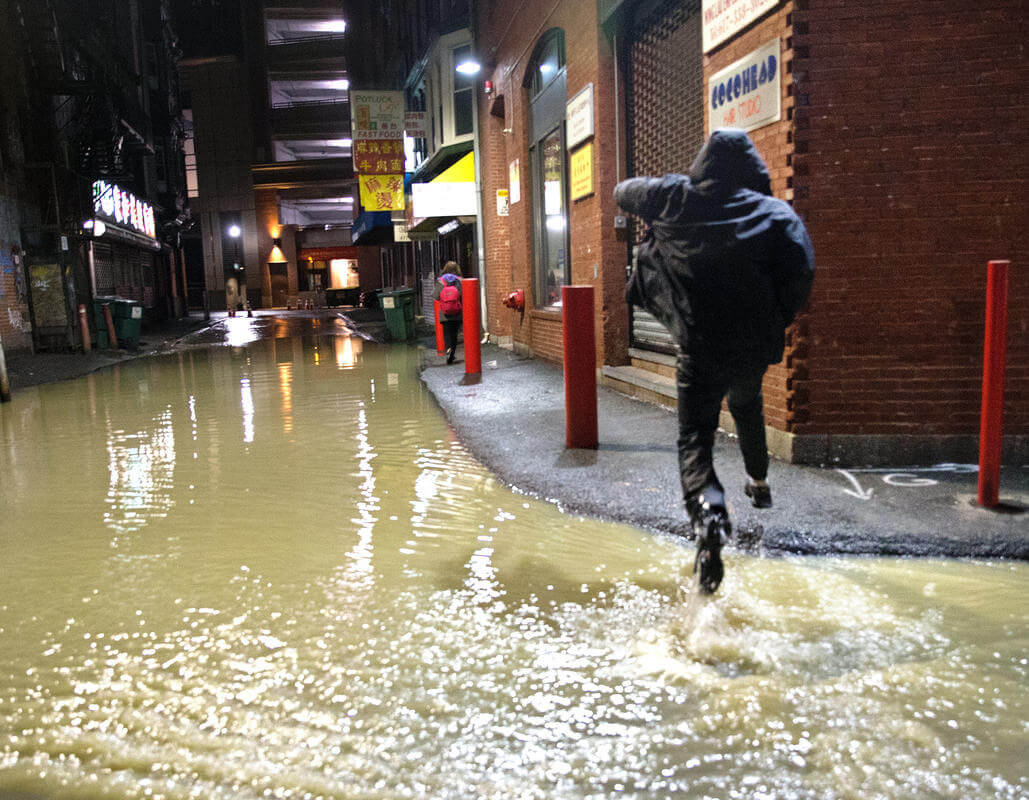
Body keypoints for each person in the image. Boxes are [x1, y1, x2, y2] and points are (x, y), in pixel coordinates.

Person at [614, 129, 815, 594]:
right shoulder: (777, 216)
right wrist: (773, 320)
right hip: (750, 348)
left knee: (695, 439)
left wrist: (677, 187)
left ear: (703, 164)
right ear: (754, 171)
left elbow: (622, 191)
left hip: (698, 347)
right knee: (746, 406)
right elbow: (801, 275)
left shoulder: (677, 198)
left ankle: (708, 517)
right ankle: (758, 481)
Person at [435, 263, 463, 364]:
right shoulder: (459, 280)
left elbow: (436, 296)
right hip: (457, 312)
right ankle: (452, 353)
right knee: (454, 334)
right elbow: (463, 293)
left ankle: (448, 349)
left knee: (446, 333)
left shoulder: (440, 281)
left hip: (444, 313)